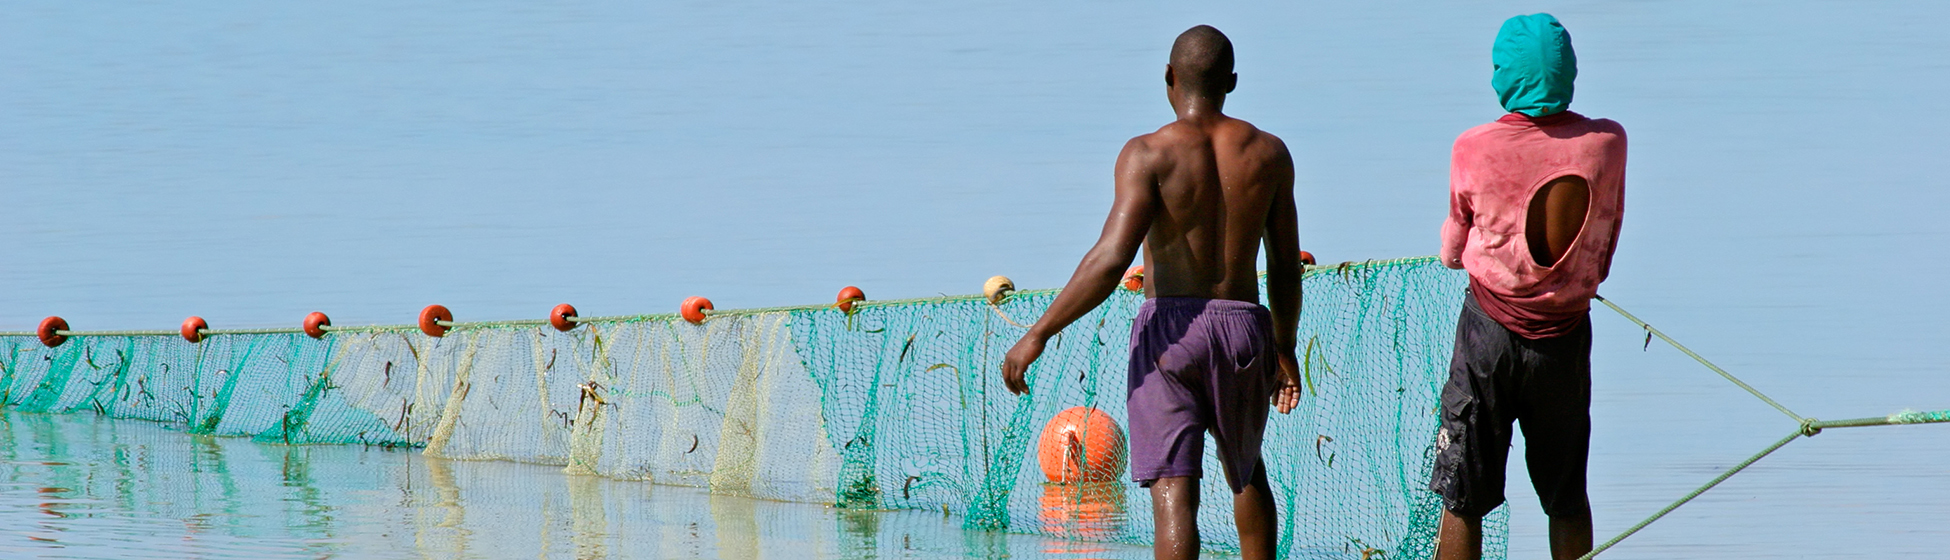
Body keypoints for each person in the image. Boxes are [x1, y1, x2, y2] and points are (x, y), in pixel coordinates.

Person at [999, 25, 1303, 560]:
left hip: (1169, 331)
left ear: (1169, 76)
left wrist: (1038, 333)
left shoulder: (1148, 153)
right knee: (1247, 469)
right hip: (1243, 327)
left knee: (1172, 487)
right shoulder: (1269, 154)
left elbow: (1111, 258)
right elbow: (1284, 265)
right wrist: (1284, 346)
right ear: (1231, 81)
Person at [1430, 13, 1627, 560]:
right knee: (1566, 499)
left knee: (1463, 499)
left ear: (1504, 76)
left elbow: (1452, 247)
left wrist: (1457, 250)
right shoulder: (1608, 142)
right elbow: (1607, 234)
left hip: (1487, 338)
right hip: (1564, 340)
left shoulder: (1473, 147)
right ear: (1568, 72)